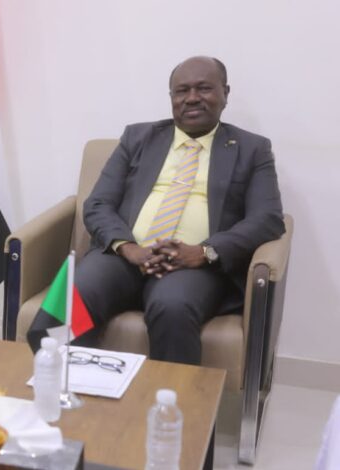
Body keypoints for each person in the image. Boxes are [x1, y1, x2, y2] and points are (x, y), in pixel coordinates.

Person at [27, 56, 285, 365]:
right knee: (71, 297)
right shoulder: (137, 138)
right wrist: (129, 248)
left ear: (225, 93)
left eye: (204, 88)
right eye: (182, 91)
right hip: (123, 256)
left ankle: (171, 397)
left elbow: (267, 218)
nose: (192, 98)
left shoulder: (252, 149)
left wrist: (203, 252)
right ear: (172, 97)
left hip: (193, 266)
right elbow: (97, 203)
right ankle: (60, 387)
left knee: (172, 307)